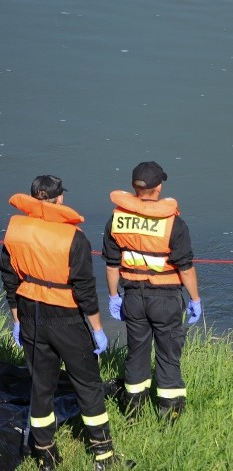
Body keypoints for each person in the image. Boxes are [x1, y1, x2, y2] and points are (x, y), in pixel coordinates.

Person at [1, 175, 128, 470]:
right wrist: (97, 329)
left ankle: (45, 455)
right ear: (60, 199)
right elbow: (84, 290)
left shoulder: (15, 231)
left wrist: (16, 319)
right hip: (66, 318)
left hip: (31, 315)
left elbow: (9, 279)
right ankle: (103, 455)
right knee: (87, 385)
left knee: (41, 387)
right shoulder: (74, 238)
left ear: (33, 199)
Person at [101, 161, 202, 423]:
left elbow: (112, 265)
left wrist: (114, 296)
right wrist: (195, 299)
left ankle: (133, 414)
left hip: (133, 297)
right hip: (166, 299)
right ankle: (170, 417)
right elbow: (186, 268)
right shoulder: (172, 223)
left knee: (137, 353)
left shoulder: (117, 220)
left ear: (135, 188)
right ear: (159, 187)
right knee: (168, 355)